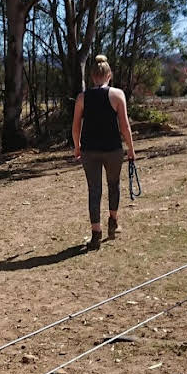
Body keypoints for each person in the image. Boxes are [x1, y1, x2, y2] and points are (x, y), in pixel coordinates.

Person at [72, 54, 136, 251]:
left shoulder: (82, 98)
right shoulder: (117, 95)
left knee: (94, 190)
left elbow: (75, 127)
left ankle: (95, 233)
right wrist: (131, 149)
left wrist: (77, 146)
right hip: (113, 150)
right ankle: (113, 220)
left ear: (92, 77)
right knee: (114, 185)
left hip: (89, 151)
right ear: (109, 74)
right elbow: (124, 127)